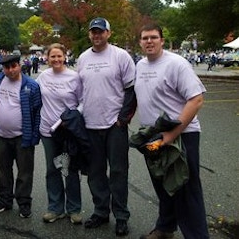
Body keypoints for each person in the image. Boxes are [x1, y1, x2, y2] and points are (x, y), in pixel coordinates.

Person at [134, 24, 209, 239]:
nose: (149, 41)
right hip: (153, 135)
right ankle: (165, 228)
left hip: (181, 135)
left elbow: (196, 100)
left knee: (185, 188)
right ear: (140, 42)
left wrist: (171, 135)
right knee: (161, 182)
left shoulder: (177, 64)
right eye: (145, 38)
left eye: (153, 37)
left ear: (162, 40)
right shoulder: (140, 66)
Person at [76, 17, 136, 236]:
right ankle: (101, 212)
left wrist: (123, 118)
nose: (96, 35)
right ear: (89, 34)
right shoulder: (82, 58)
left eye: (100, 31)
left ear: (108, 33)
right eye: (93, 32)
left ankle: (121, 216)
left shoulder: (121, 56)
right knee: (95, 172)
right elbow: (80, 91)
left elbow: (131, 89)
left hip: (114, 125)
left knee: (119, 172)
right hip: (90, 125)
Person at [36, 43, 84, 224]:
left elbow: (82, 102)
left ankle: (74, 209)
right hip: (48, 131)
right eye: (52, 56)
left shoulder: (74, 77)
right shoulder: (43, 77)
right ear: (47, 58)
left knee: (70, 169)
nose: (56, 59)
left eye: (59, 56)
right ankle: (55, 208)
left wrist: (72, 117)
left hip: (68, 131)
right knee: (52, 169)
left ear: (65, 57)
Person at [0, 54, 42, 218]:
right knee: (2, 171)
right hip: (2, 136)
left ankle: (24, 203)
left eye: (14, 66)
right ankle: (5, 200)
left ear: (19, 66)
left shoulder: (31, 85)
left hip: (22, 137)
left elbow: (37, 112)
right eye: (7, 67)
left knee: (24, 173)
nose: (11, 70)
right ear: (2, 68)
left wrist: (34, 136)